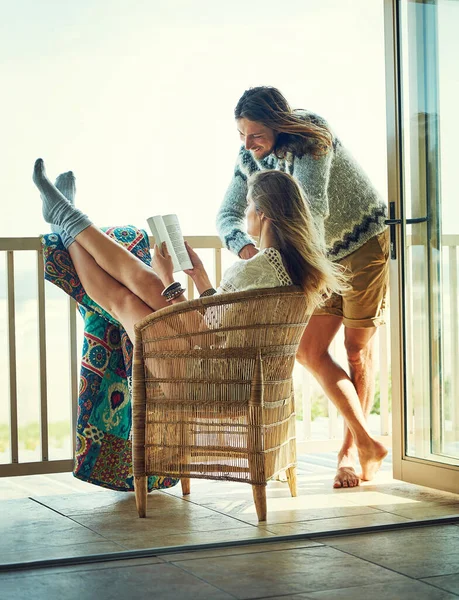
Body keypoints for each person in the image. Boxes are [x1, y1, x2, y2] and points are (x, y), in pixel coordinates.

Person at [216, 86, 389, 487]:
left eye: (256, 134)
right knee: (308, 351)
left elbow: (311, 206)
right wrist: (245, 247)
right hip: (316, 256)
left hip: (361, 243)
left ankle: (350, 452)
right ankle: (368, 441)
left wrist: (275, 255)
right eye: (241, 135)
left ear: (277, 124)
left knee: (356, 351)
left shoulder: (312, 135)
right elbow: (227, 213)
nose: (248, 144)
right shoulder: (249, 157)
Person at [32, 159, 343, 349]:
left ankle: (65, 218)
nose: (245, 210)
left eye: (249, 203)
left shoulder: (251, 269)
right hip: (242, 378)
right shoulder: (297, 271)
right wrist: (200, 277)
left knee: (126, 299)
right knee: (138, 291)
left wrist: (169, 278)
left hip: (201, 379)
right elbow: (222, 323)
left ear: (263, 213)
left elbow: (202, 332)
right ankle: (64, 217)